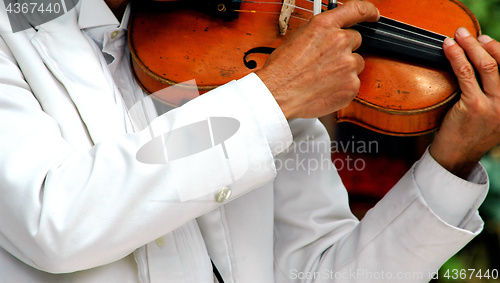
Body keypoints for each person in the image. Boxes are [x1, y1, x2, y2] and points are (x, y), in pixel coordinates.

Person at [0, 0, 498, 282]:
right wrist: (269, 100)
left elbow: (319, 274)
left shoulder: (248, 50)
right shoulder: (11, 33)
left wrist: (448, 165)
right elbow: (56, 220)